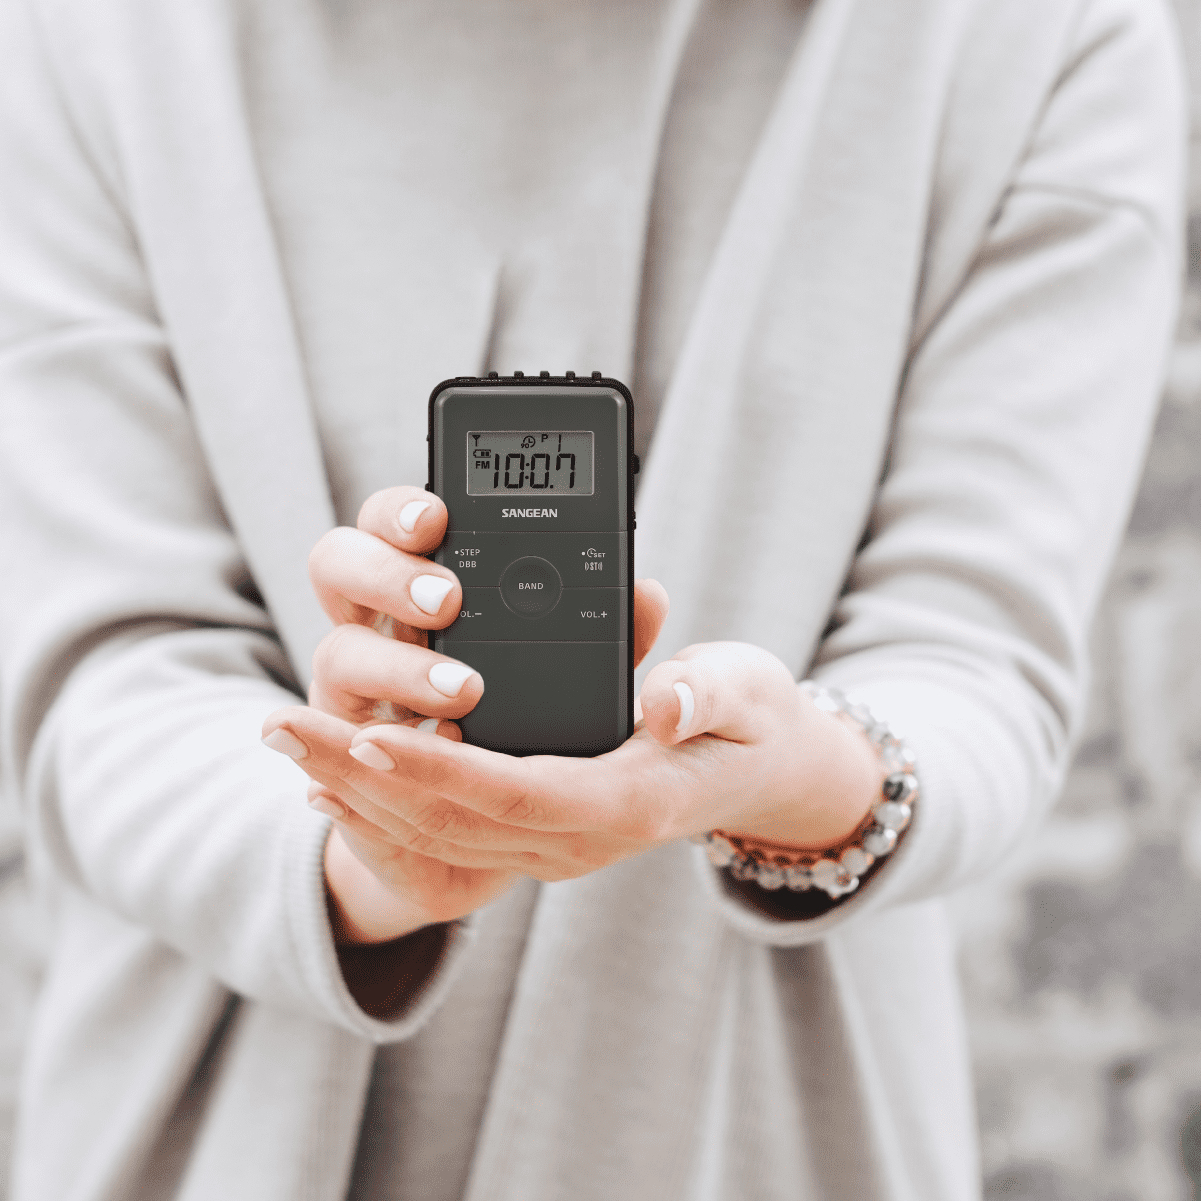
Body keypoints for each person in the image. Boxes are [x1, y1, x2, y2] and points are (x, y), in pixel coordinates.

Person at [0, 0, 1185, 1196]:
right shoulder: (97, 39)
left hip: (749, 1135)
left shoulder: (1037, 36)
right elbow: (106, 673)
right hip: (222, 1132)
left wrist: (791, 775)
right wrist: (367, 854)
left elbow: (974, 656)